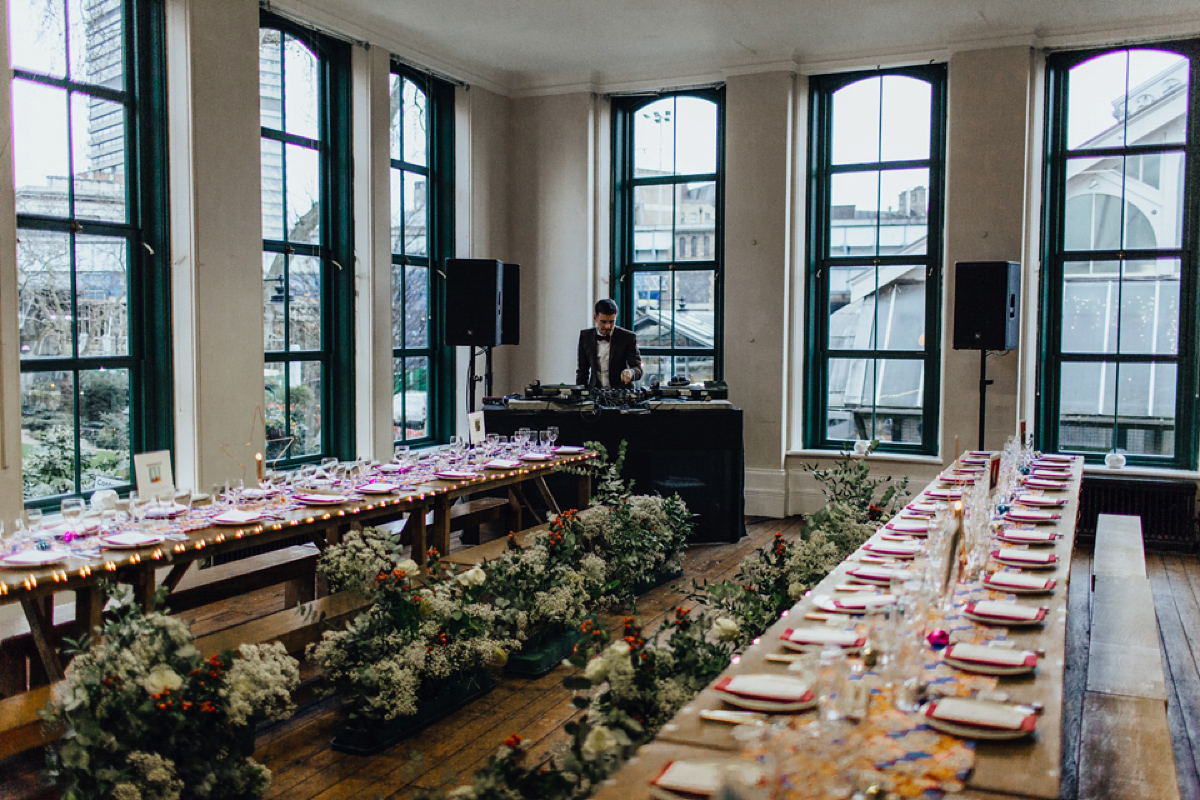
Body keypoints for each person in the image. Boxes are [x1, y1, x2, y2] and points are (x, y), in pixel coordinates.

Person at [576, 298, 643, 388]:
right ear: (595, 317)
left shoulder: (627, 337)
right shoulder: (585, 336)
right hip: (595, 394)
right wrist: (579, 395)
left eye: (611, 322)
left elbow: (638, 369)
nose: (607, 326)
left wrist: (630, 373)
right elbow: (582, 372)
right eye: (603, 322)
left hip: (621, 395)